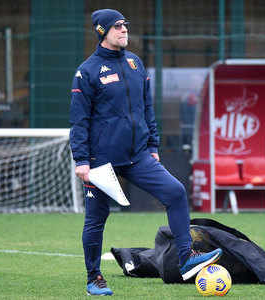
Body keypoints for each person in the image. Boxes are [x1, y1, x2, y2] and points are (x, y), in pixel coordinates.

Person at [69, 9, 222, 296]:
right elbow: (79, 121)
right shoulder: (86, 72)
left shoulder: (135, 63)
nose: (124, 29)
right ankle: (94, 277)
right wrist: (81, 160)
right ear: (102, 31)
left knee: (176, 192)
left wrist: (152, 146)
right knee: (96, 219)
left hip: (139, 155)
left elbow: (146, 109)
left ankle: (187, 258)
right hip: (101, 162)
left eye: (125, 25)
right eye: (117, 26)